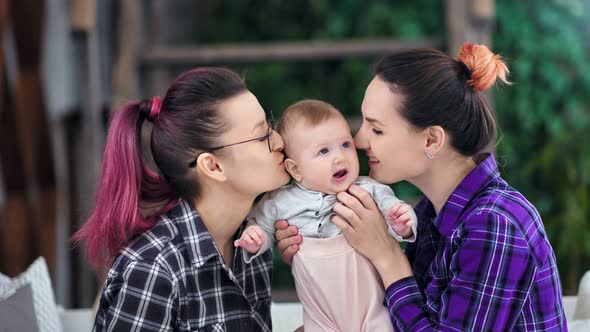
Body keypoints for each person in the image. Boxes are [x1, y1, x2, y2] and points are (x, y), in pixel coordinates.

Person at [275, 43, 568, 331]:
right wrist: (320, 257)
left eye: (376, 128)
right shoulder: (432, 210)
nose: (360, 141)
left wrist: (387, 255)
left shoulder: (495, 225)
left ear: (431, 140)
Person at [74, 67, 290, 331]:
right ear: (213, 167)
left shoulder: (252, 246)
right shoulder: (152, 268)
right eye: (261, 136)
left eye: (270, 125)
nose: (279, 141)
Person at [234, 99, 417, 331]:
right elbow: (261, 225)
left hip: (370, 311)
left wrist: (401, 222)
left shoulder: (366, 189)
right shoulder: (280, 201)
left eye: (345, 145)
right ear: (295, 169)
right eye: (324, 151)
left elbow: (393, 209)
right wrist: (255, 237)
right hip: (321, 319)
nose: (340, 157)